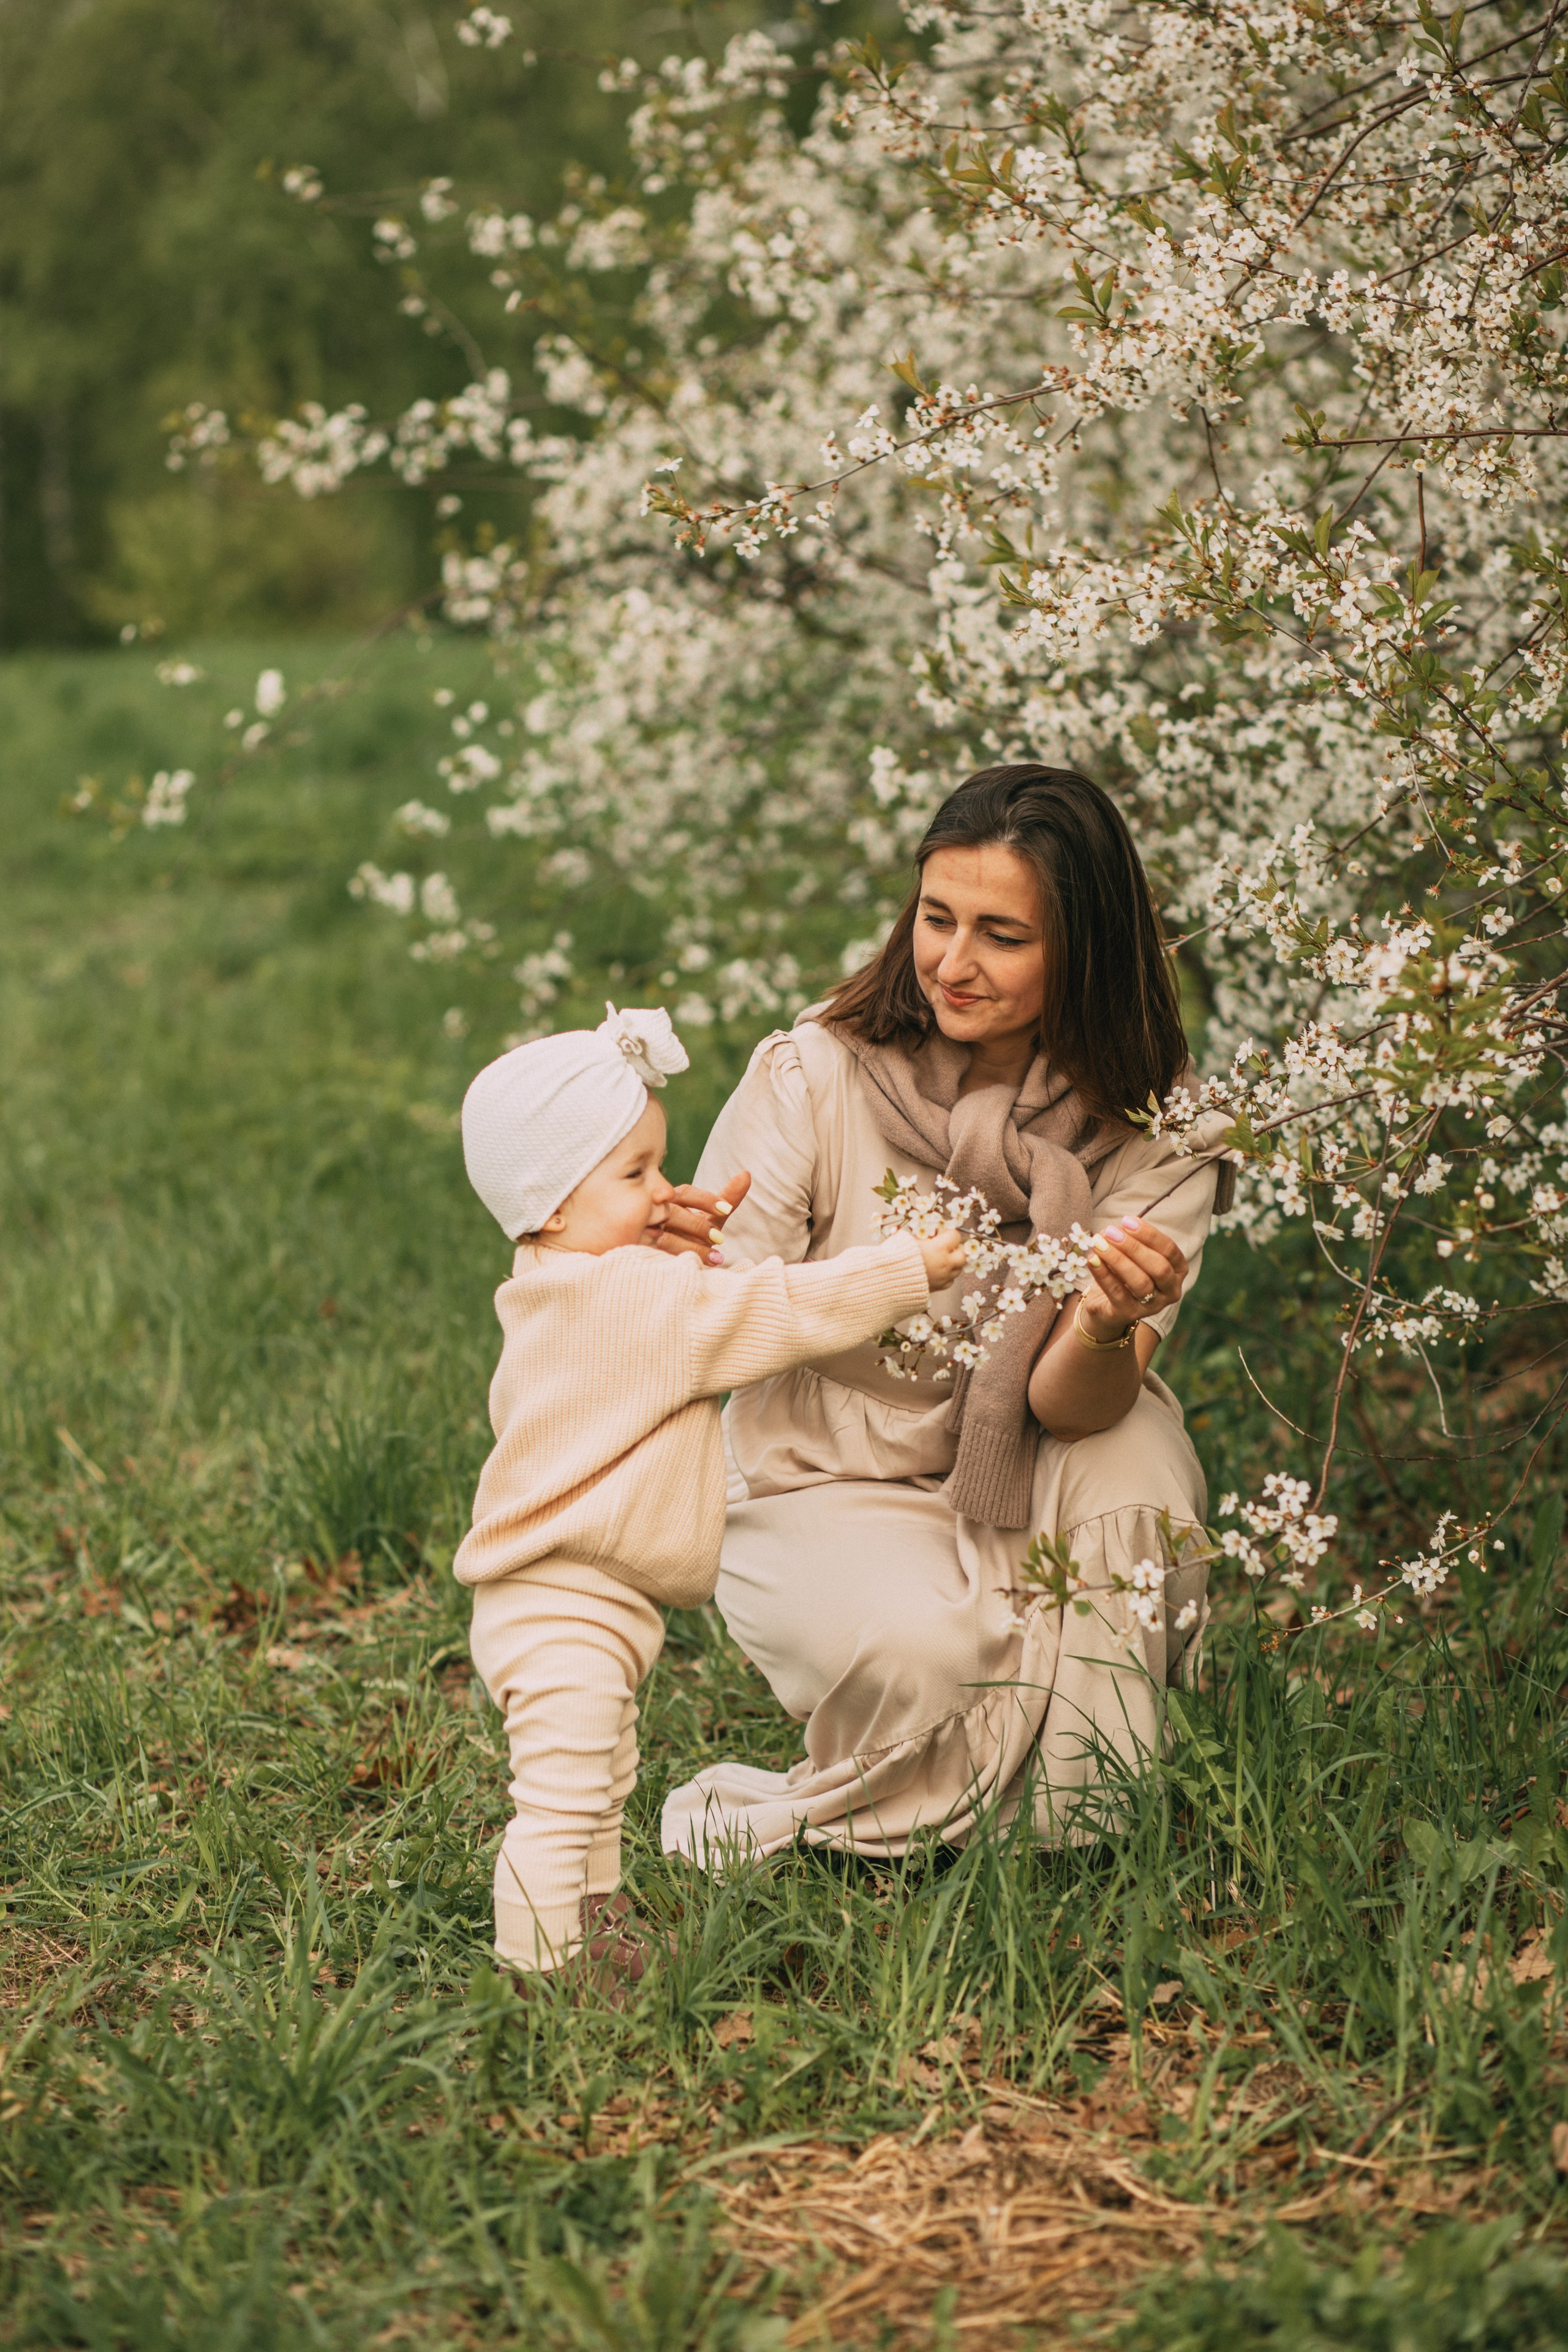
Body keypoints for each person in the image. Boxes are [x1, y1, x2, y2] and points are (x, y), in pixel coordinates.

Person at [654, 764, 1236, 1866]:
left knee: (1137, 1469)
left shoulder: (1162, 1127)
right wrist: (686, 1253)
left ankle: (1079, 1814)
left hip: (1036, 1454)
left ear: (1086, 950)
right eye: (935, 919)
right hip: (826, 1471)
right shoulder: (817, 1074)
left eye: (1002, 935)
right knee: (936, 1658)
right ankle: (994, 1760)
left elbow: (1071, 1408)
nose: (952, 964)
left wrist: (1107, 1326)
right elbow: (713, 1317)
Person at [454, 1003, 964, 1992]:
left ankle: (590, 1917)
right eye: (636, 1176)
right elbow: (773, 1311)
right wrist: (904, 1270)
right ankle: (539, 1964)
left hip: (577, 1593)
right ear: (555, 1203)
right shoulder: (634, 1300)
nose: (662, 1192)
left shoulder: (560, 1279)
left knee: (604, 1775)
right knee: (561, 1796)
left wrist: (660, 1241)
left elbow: (671, 1310)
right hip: (564, 1598)